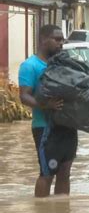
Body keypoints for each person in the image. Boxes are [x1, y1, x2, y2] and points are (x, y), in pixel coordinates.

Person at [18, 24, 78, 197]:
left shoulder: (62, 64)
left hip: (67, 126)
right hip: (45, 128)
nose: (61, 43)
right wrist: (47, 105)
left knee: (65, 173)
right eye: (57, 39)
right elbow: (24, 96)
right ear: (44, 40)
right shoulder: (30, 66)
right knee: (47, 173)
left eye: (63, 39)